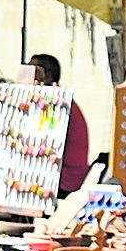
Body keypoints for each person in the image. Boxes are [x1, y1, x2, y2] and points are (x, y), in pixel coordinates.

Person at [23, 54, 91, 193]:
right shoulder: (49, 103)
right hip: (58, 172)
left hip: (65, 177)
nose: (26, 78)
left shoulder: (57, 106)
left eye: (32, 72)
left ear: (47, 76)